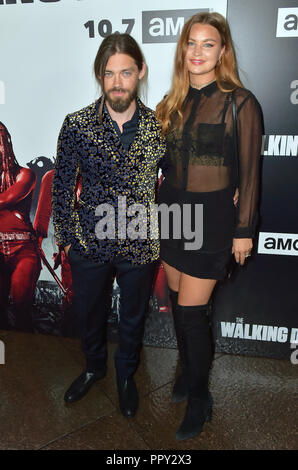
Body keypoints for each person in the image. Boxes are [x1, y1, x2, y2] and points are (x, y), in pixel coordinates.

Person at [156, 12, 262, 440]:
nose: (197, 52)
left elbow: (251, 173)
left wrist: (244, 229)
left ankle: (200, 398)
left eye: (208, 44)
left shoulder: (240, 102)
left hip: (213, 218)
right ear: (182, 49)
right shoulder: (171, 102)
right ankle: (186, 372)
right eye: (191, 43)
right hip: (172, 215)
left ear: (223, 51)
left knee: (191, 314)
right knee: (180, 310)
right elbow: (159, 164)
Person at [52, 33, 166, 417]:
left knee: (133, 317)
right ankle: (93, 368)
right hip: (90, 243)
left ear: (140, 72)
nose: (117, 82)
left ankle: (125, 375)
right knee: (90, 313)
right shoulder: (77, 124)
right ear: (100, 76)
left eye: (126, 72)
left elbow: (181, 182)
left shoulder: (158, 127)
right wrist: (69, 242)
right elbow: (62, 187)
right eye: (109, 73)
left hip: (139, 241)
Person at [0, 122, 41, 332]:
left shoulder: (25, 174)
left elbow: (6, 199)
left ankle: (27, 359)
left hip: (22, 249)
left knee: (21, 309)